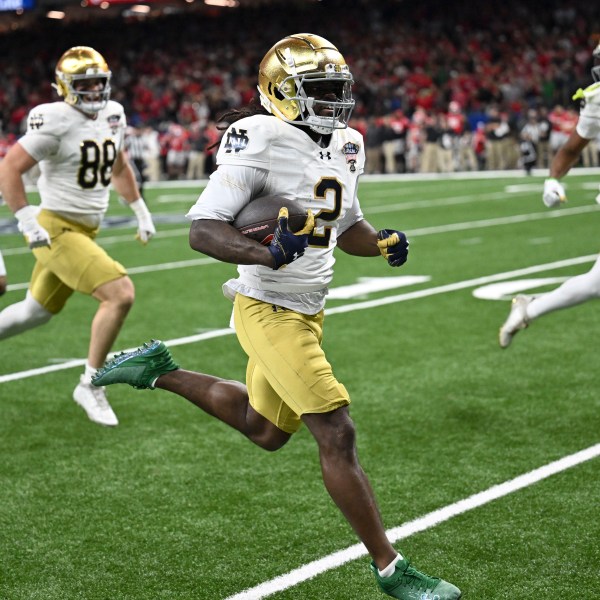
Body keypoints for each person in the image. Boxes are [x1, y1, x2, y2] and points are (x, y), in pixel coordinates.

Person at [92, 34, 461, 600]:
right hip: (267, 309)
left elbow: (344, 227)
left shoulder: (348, 143)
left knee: (263, 430)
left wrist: (381, 241)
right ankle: (391, 568)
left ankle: (157, 370)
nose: (336, 100)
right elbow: (203, 229)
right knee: (336, 430)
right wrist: (265, 252)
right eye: (322, 89)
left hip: (309, 309)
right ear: (281, 92)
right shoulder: (259, 138)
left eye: (340, 87)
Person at [0, 46, 156, 426]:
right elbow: (10, 168)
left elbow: (118, 164)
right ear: (64, 87)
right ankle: (91, 383)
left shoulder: (113, 113)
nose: (91, 90)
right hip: (55, 226)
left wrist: (139, 210)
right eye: (82, 83)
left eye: (97, 83)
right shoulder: (53, 119)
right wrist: (25, 218)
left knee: (33, 313)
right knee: (120, 293)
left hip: (85, 228)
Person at [499, 42, 600, 348]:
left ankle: (529, 308)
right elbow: (571, 149)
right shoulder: (597, 101)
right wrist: (552, 179)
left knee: (596, 282)